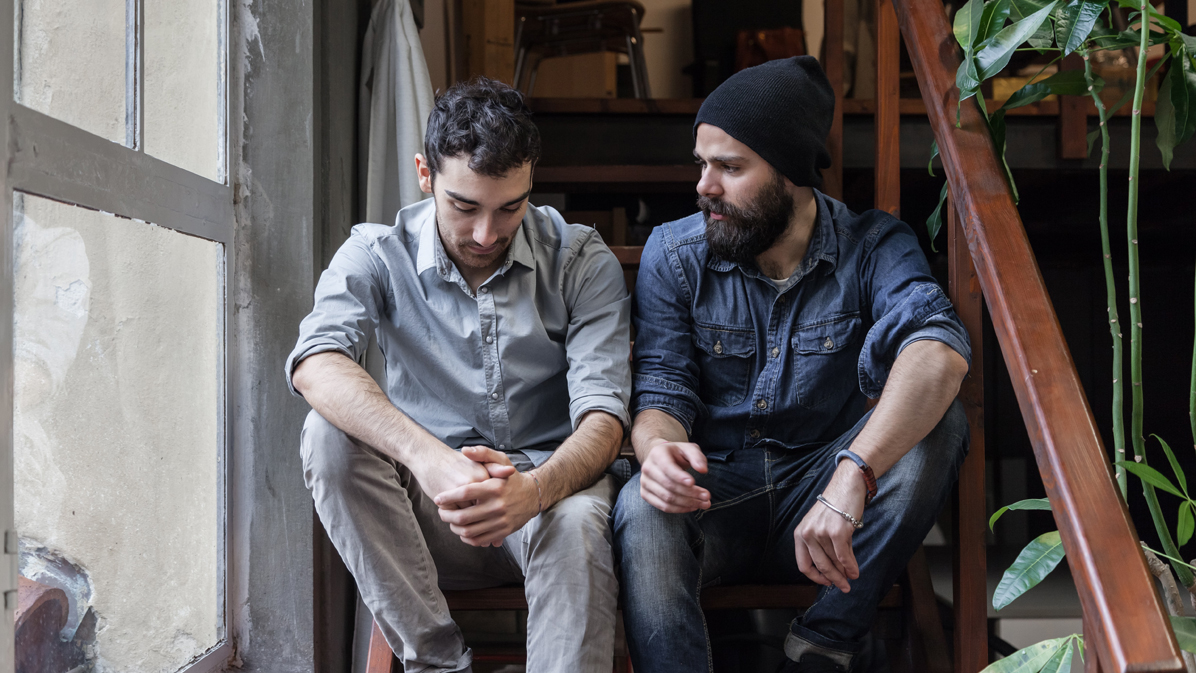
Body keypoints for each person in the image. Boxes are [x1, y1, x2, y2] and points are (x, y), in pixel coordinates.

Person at [613, 56, 972, 673]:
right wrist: (658, 451)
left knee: (942, 420)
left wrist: (853, 473)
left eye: (729, 167)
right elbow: (662, 393)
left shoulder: (873, 246)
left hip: (827, 499)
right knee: (641, 508)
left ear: (792, 173)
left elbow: (937, 352)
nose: (704, 186)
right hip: (715, 497)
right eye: (702, 163)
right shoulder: (674, 253)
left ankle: (821, 649)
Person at [287, 77, 631, 673]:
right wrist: (430, 459)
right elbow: (315, 362)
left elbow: (605, 420)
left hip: (551, 500)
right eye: (465, 206)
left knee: (578, 525)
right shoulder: (377, 252)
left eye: (510, 208)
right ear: (426, 174)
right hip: (427, 515)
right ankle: (439, 666)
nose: (485, 234)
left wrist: (534, 491)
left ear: (531, 181)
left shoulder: (580, 258)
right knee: (326, 435)